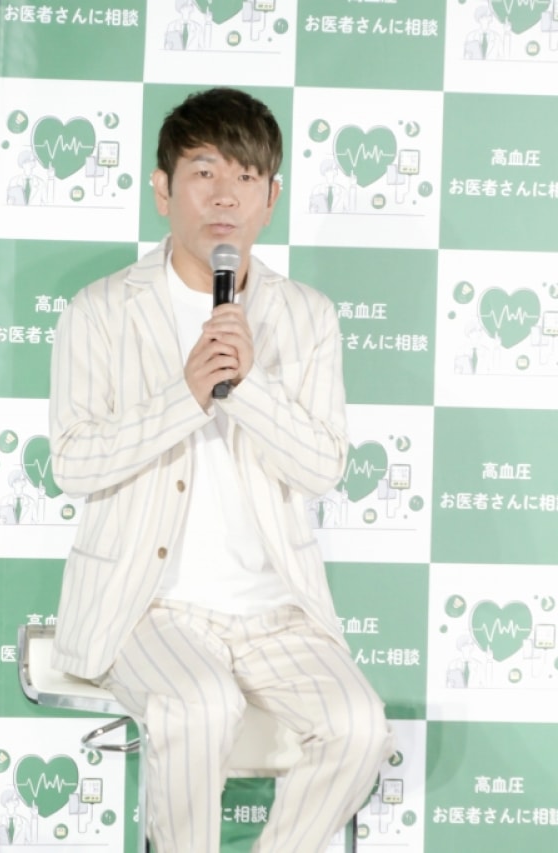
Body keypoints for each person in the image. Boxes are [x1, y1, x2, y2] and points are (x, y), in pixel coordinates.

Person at [47, 87, 392, 852]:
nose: (225, 195)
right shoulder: (100, 310)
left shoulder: (307, 315)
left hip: (276, 610)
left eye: (245, 175)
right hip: (150, 605)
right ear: (162, 188)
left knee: (359, 726)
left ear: (272, 198)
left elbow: (322, 466)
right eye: (204, 171)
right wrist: (186, 396)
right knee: (199, 706)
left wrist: (249, 386)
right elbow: (72, 460)